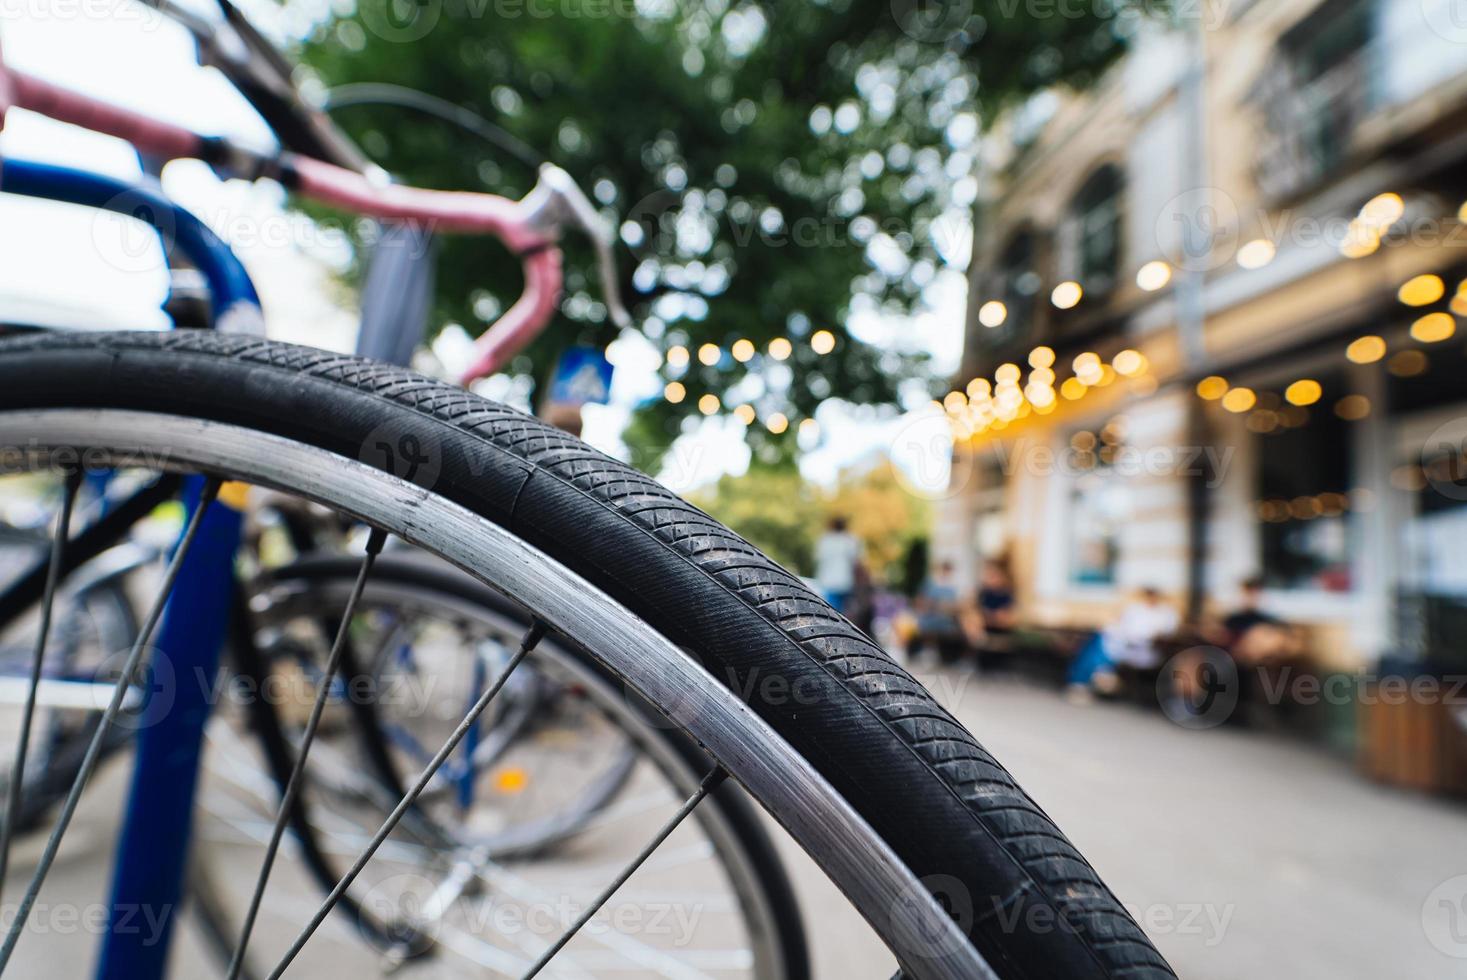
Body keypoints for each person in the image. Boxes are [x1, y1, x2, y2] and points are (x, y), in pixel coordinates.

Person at [1065, 587, 1179, 700]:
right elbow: (1124, 626)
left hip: (1143, 649)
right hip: (1122, 643)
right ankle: (1082, 682)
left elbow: (1163, 635)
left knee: (1097, 650)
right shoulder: (1137, 608)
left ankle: (1081, 682)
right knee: (1097, 647)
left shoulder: (1166, 614)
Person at [907, 561, 967, 663]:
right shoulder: (931, 584)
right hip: (931, 616)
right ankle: (929, 651)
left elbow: (956, 605)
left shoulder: (952, 588)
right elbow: (921, 601)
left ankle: (953, 656)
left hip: (946, 619)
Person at [814, 516, 861, 613]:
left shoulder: (825, 540)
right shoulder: (851, 540)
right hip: (846, 583)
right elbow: (856, 562)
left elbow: (818, 558)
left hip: (829, 583)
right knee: (843, 614)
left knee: (831, 612)